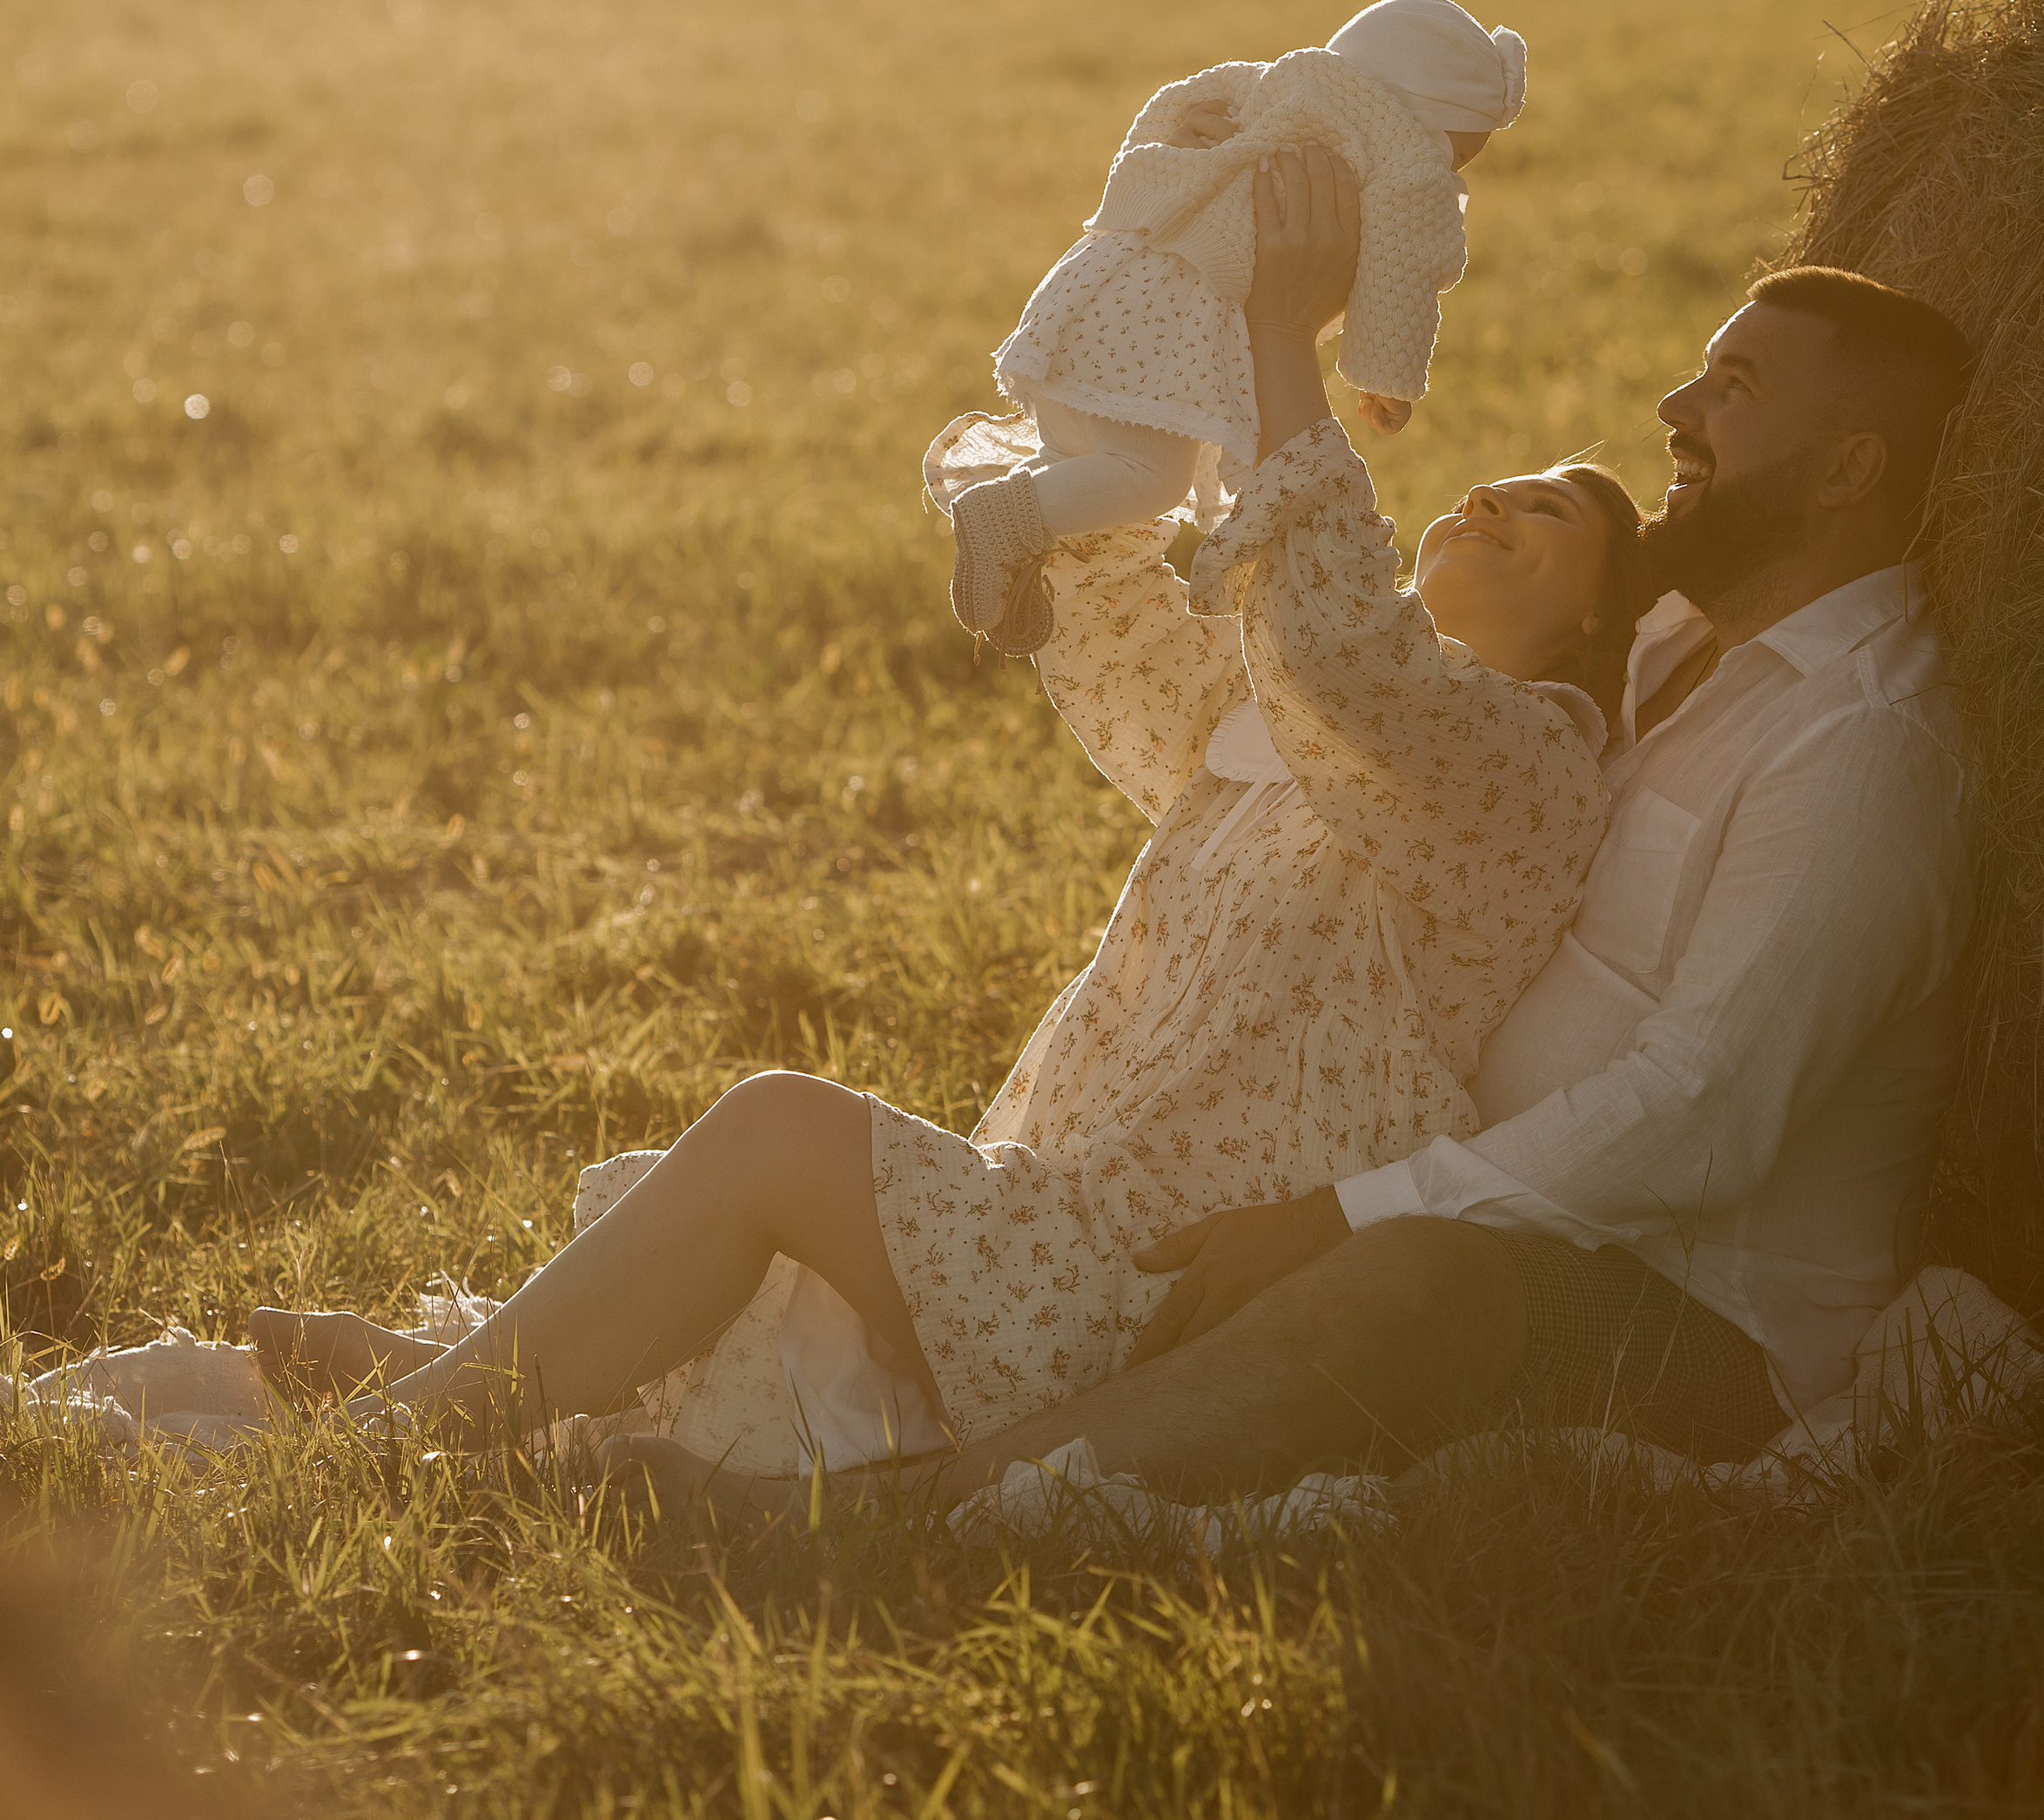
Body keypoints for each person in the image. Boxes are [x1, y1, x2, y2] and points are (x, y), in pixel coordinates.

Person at [253, 151, 1640, 1489]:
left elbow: (1345, 650)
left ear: (1595, 629)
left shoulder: (1521, 775)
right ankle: (473, 1382)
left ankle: (410, 1427)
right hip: (1063, 1219)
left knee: (780, 1128)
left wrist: (1288, 336)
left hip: (1160, 1293)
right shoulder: (1269, 718)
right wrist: (1149, 374)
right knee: (774, 1186)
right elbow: (1132, 637)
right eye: (1502, 479)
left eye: (1553, 512)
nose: (1493, 496)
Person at [898, 234, 1979, 1505]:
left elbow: (1702, 1117)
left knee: (1407, 1281)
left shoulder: (1863, 746)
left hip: (1697, 1317)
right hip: (1482, 1201)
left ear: (1849, 469)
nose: (1674, 406)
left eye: (1733, 389)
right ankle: (969, 1413)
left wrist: (1349, 1213)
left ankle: (947, 1505)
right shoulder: (1676, 639)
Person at [948, 0, 1525, 650]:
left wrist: (1159, 169)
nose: (1450, 174)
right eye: (1457, 155)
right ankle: (998, 518)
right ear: (1424, 115)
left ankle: (1024, 558)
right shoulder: (1406, 156)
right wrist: (1385, 376)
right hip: (1169, 325)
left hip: (1101, 281)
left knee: (1078, 459)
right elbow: (1405, 269)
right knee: (1150, 478)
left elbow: (1172, 109)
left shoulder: (1270, 82)